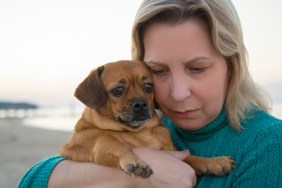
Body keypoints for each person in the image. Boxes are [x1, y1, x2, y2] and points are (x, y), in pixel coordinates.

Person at [19, 0, 282, 187]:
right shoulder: (155, 124)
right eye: (159, 71)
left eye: (197, 68)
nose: (178, 94)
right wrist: (128, 176)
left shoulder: (268, 145)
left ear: (231, 66)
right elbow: (30, 181)